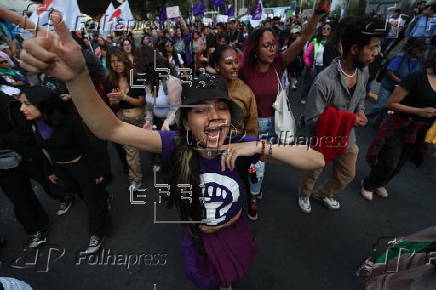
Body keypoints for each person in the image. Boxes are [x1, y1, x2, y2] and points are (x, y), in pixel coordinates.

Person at [8, 10, 325, 289]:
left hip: (234, 233)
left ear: (230, 117)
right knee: (204, 277)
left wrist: (256, 147)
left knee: (233, 275)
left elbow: (316, 158)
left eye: (221, 108)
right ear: (185, 122)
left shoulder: (240, 145)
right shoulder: (174, 143)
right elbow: (110, 128)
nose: (214, 115)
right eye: (200, 110)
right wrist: (78, 78)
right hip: (197, 239)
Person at [239, 0, 331, 219]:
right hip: (252, 126)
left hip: (275, 124)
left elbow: (303, 39)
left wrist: (317, 15)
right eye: (266, 45)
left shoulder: (279, 63)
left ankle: (254, 188)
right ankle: (253, 195)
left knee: (263, 162)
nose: (273, 49)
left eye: (274, 44)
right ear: (254, 49)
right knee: (257, 165)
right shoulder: (244, 70)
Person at [298, 16, 383, 214]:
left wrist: (360, 110)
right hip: (323, 138)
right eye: (373, 48)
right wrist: (350, 118)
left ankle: (324, 193)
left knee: (347, 174)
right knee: (313, 171)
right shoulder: (323, 81)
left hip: (347, 138)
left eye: (377, 47)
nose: (376, 53)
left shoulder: (363, 71)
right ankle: (304, 194)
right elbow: (312, 119)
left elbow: (361, 96)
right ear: (354, 49)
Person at [18, 86, 112, 254]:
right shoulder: (34, 124)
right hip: (62, 170)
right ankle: (103, 198)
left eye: (27, 103)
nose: (21, 108)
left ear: (43, 103)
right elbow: (44, 150)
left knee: (93, 202)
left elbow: (89, 147)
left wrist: (97, 172)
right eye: (21, 103)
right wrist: (50, 170)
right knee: (85, 195)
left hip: (81, 166)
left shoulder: (69, 120)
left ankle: (97, 232)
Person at [361, 51, 436, 200]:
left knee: (400, 163)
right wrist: (419, 111)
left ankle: (380, 182)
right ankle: (369, 184)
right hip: (400, 125)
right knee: (389, 160)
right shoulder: (416, 77)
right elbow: (391, 104)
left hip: (419, 130)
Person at [105, 47, 145, 190]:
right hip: (122, 117)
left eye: (119, 61)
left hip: (139, 117)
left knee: (150, 145)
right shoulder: (111, 79)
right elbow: (113, 103)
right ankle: (136, 179)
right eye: (112, 62)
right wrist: (114, 101)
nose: (116, 64)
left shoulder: (135, 76)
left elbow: (142, 102)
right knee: (130, 151)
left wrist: (124, 97)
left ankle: (157, 161)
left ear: (125, 60)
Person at [367, 38, 426, 126]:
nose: (421, 52)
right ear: (413, 48)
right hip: (388, 86)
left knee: (388, 109)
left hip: (400, 91)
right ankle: (366, 118)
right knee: (380, 105)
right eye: (420, 49)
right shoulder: (401, 57)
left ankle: (377, 123)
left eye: (424, 50)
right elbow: (389, 72)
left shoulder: (421, 63)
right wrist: (402, 82)